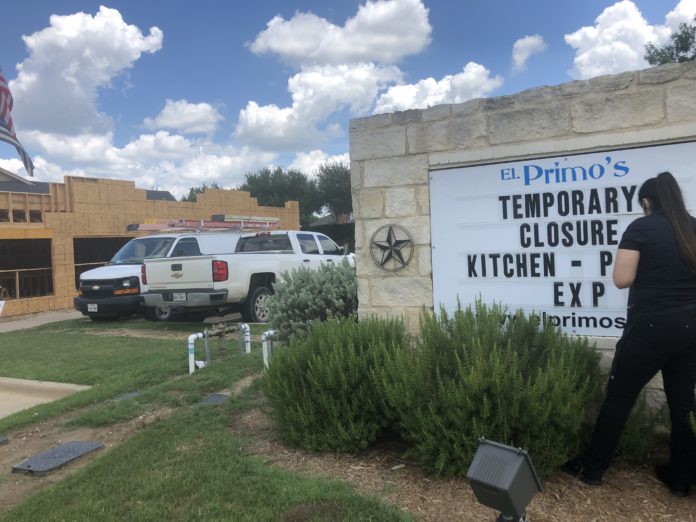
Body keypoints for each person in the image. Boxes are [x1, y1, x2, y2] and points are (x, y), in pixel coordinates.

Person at [563, 171, 696, 497]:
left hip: (650, 326)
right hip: (691, 326)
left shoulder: (642, 228)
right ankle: (681, 478)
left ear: (647, 201)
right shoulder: (693, 226)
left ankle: (593, 468)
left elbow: (622, 279)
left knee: (620, 396)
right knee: (683, 404)